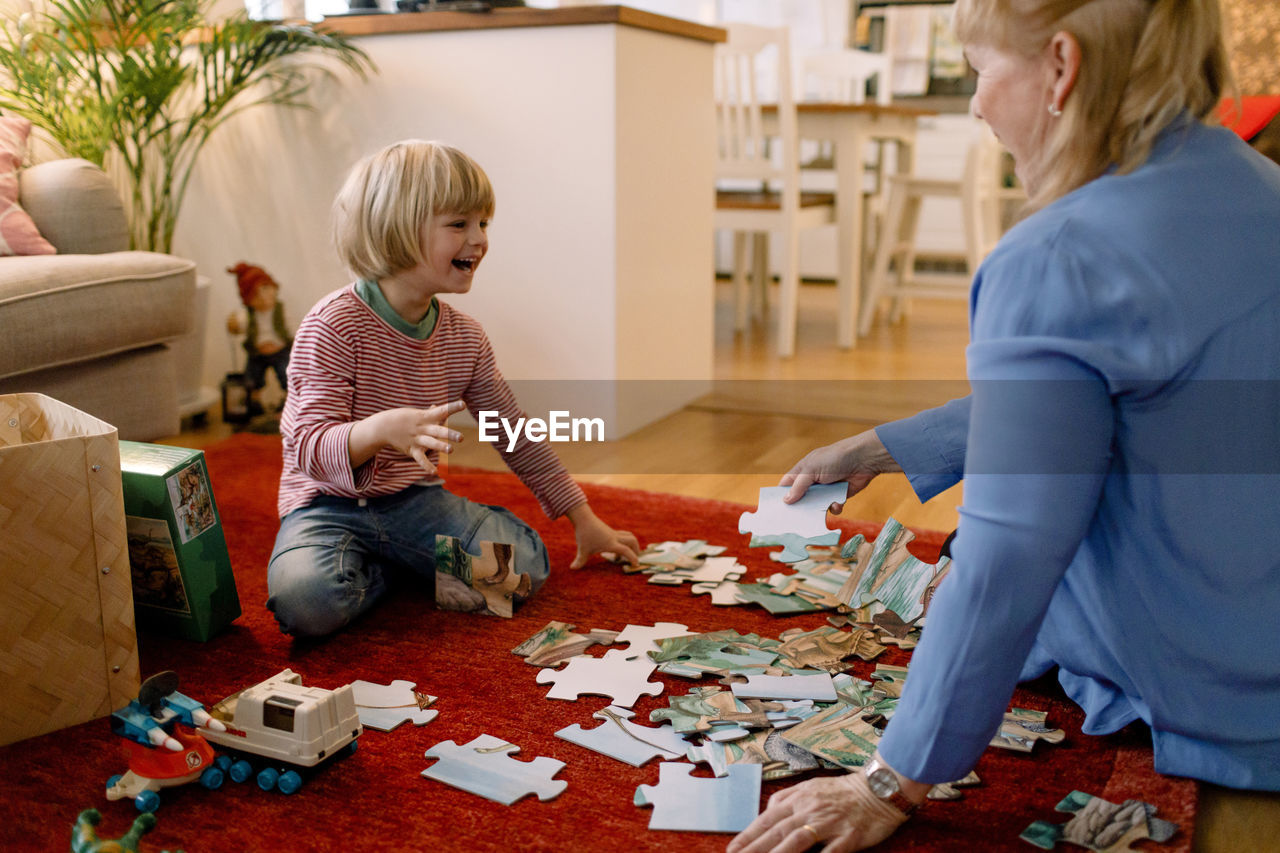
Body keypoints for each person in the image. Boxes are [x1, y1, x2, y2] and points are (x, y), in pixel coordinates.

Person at [731, 0, 1280, 850]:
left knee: (963, 567)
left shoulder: (1058, 255)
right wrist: (886, 447)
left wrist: (891, 779)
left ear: (1061, 67)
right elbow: (1126, 398)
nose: (978, 106)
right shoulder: (1262, 187)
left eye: (983, 71)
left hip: (1233, 682)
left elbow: (1012, 554)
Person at [266, 140, 640, 637]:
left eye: (484, 223)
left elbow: (513, 433)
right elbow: (309, 448)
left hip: (414, 501)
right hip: (325, 507)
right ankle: (393, 570)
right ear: (396, 228)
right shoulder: (332, 326)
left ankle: (398, 562)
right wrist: (380, 431)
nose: (480, 239)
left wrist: (582, 517)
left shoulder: (465, 338)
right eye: (459, 224)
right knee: (305, 604)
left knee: (526, 566)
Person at [226, 262, 293, 412]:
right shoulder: (248, 315)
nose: (264, 297)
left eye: (266, 289)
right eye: (256, 294)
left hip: (280, 351)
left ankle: (288, 403)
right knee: (252, 379)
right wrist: (233, 325)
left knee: (287, 375)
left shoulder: (280, 311)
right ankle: (253, 404)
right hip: (257, 353)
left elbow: (292, 329)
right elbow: (238, 326)